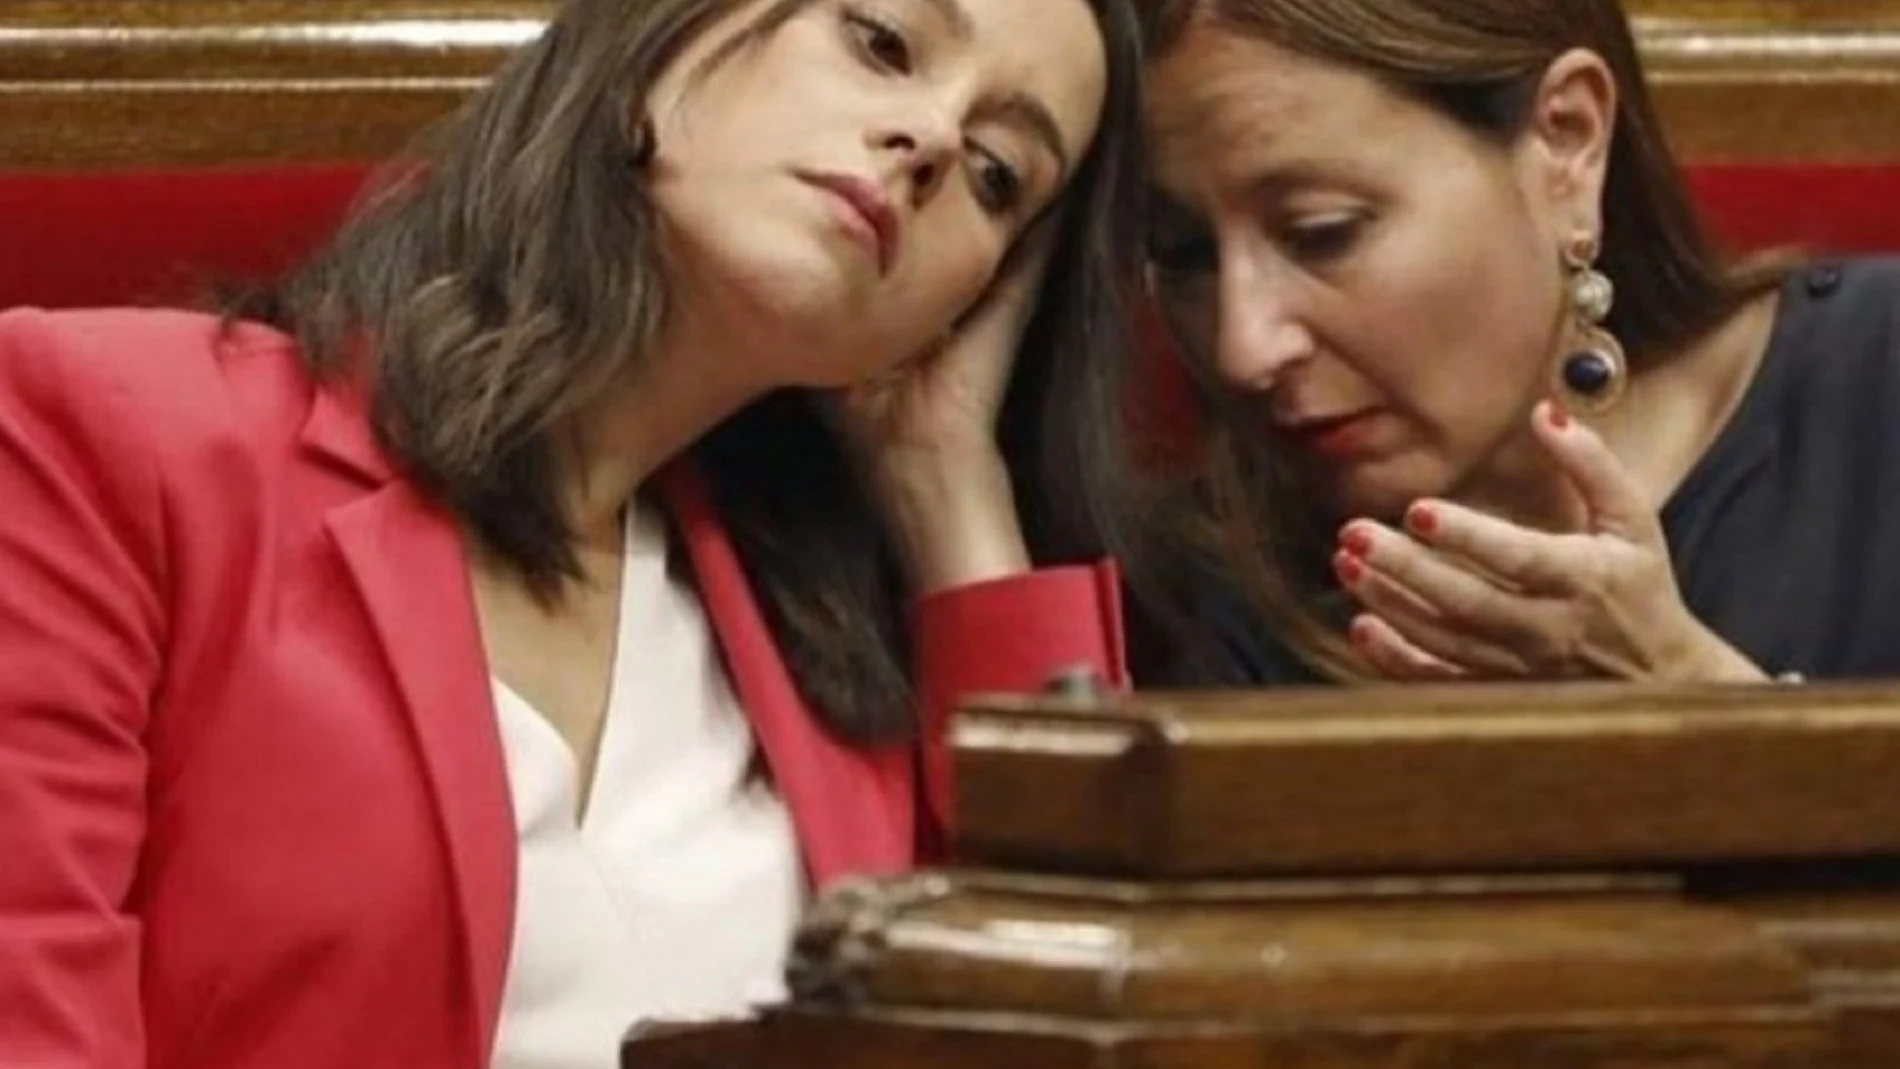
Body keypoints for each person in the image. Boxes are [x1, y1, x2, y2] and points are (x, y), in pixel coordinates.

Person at [0, 0, 1147, 1065]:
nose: (933, 139)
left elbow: (1088, 1007)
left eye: (1000, 175)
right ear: (662, 33)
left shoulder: (844, 652)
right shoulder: (102, 436)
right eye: (882, 43)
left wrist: (944, 482)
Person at [1124, 0, 1900, 687]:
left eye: (1321, 233)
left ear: (1567, 141)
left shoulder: (1877, 379)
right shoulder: (1211, 582)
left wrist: (1690, 686)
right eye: (1183, 255)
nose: (1243, 349)